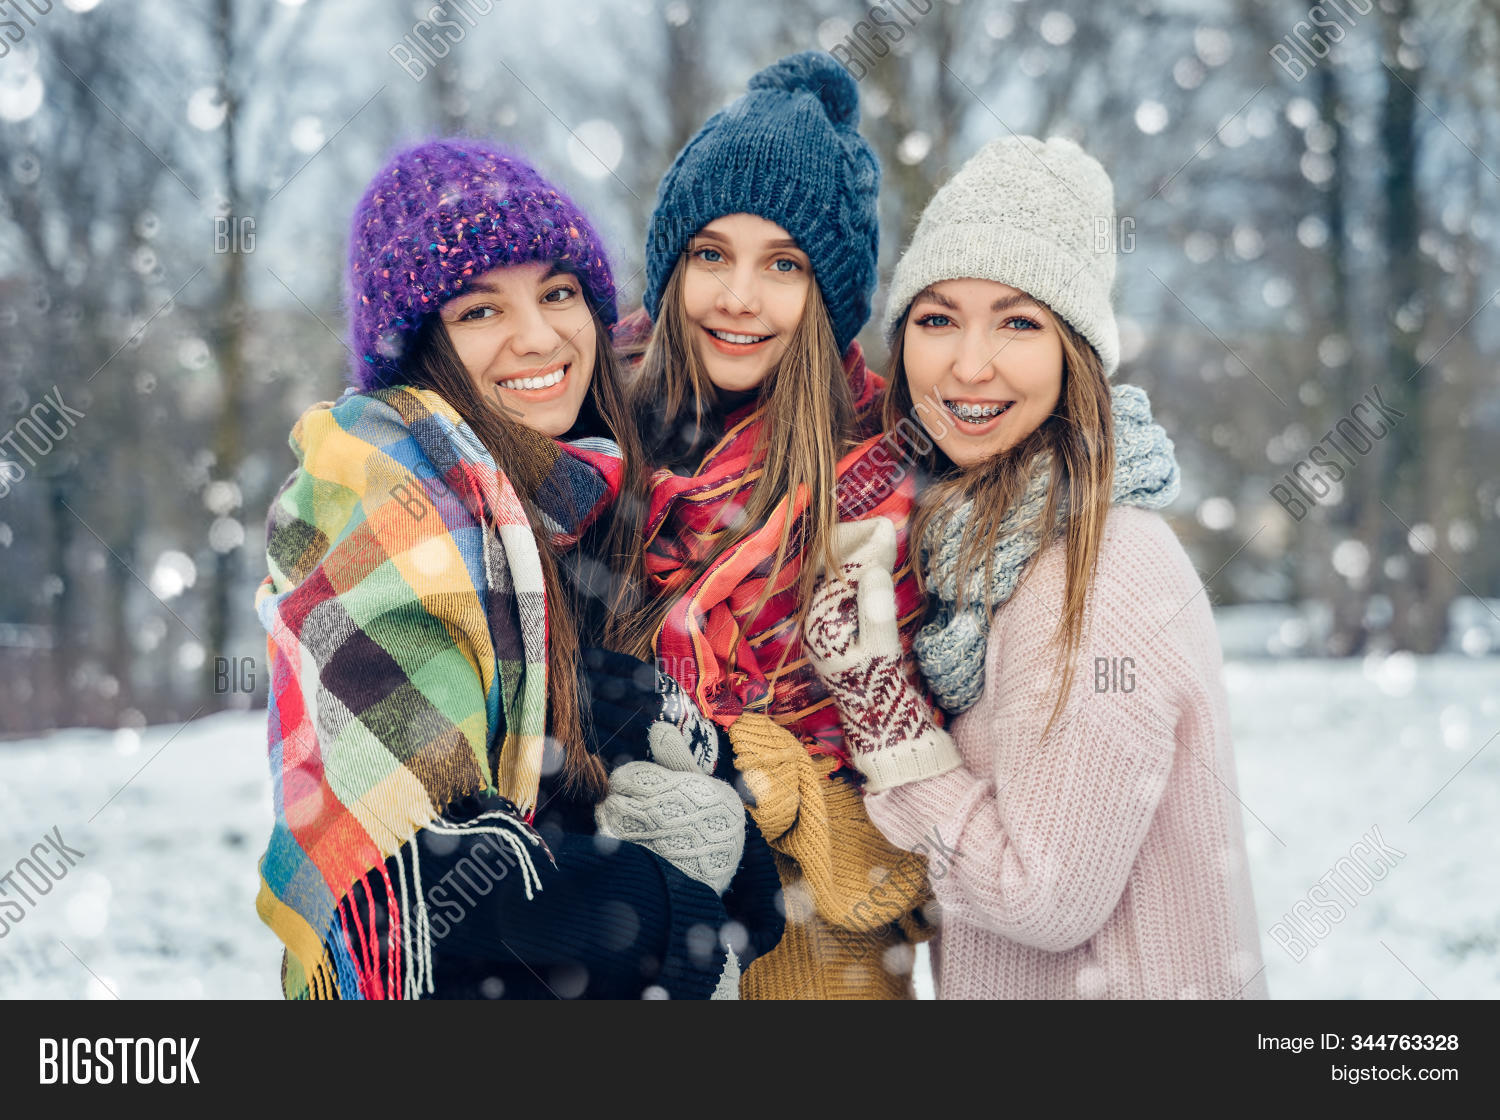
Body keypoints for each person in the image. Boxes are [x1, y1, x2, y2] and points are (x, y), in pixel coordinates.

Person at [254, 138, 778, 1000]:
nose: (539, 336)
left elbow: (529, 759)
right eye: (479, 310)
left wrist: (718, 819)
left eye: (558, 292)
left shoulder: (561, 511)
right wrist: (667, 920)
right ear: (420, 347)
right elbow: (414, 888)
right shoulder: (387, 515)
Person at [805, 136, 1270, 999]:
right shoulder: (978, 554)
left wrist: (882, 707)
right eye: (938, 318)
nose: (968, 364)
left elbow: (1042, 893)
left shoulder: (1097, 571)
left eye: (1019, 321)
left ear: (1075, 355)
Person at [604, 52, 936, 999]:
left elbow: (930, 857)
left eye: (783, 264)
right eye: (710, 254)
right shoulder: (589, 453)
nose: (739, 297)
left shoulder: (890, 490)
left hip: (818, 980)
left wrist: (792, 794)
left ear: (829, 298)